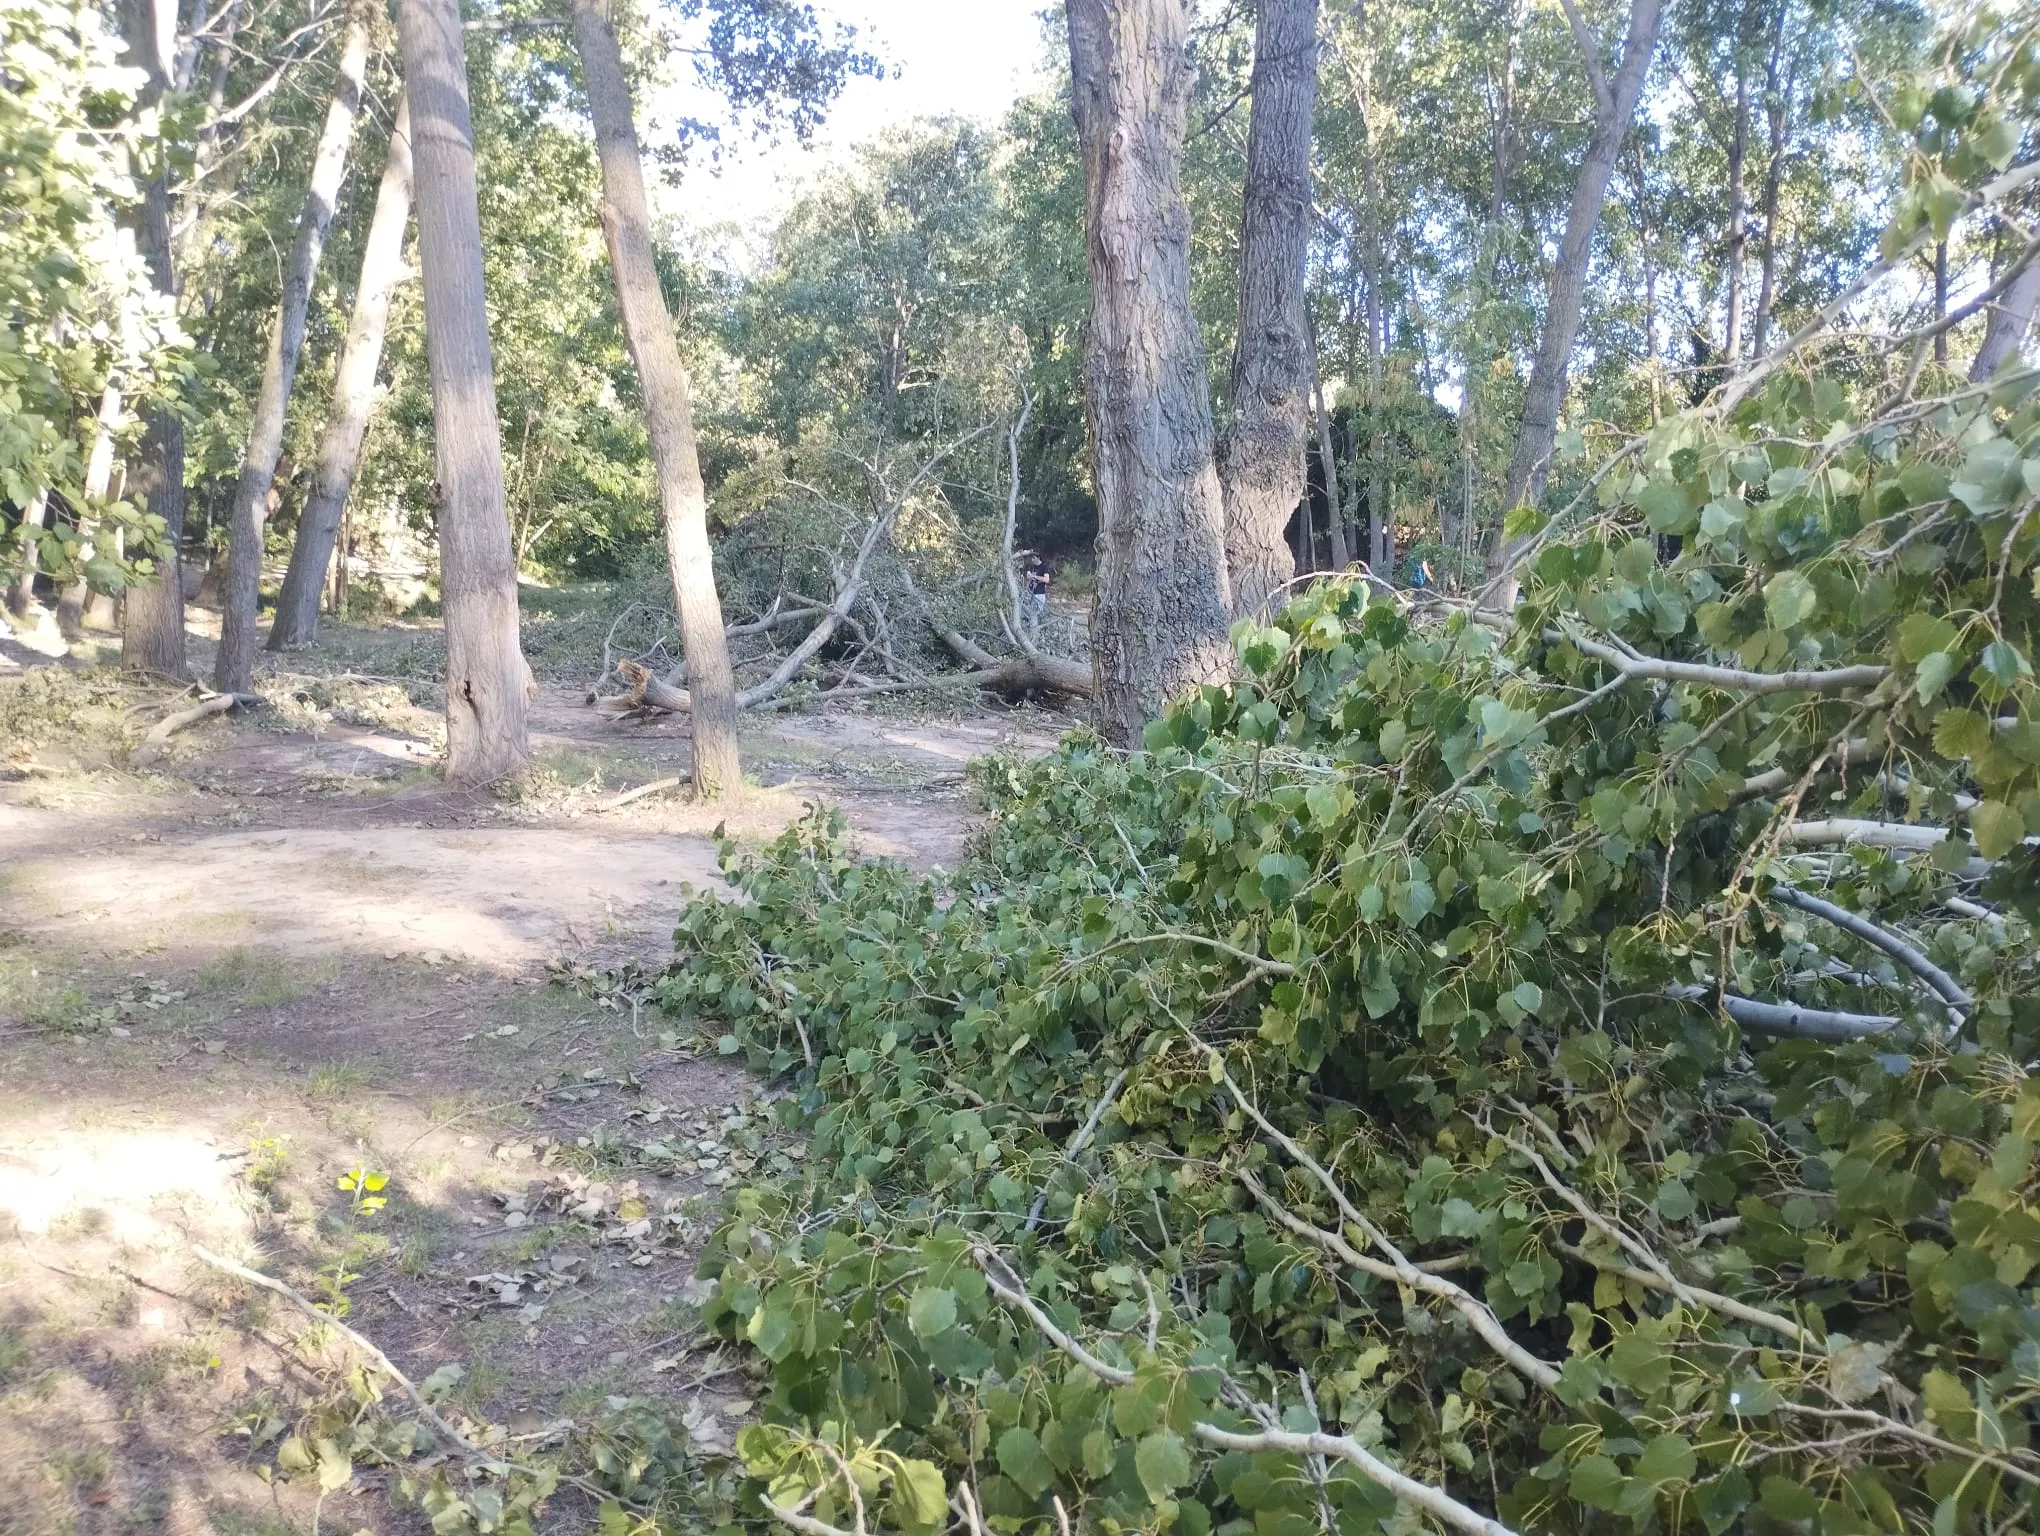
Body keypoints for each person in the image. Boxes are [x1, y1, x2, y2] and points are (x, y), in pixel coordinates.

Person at [1024, 555, 1050, 641]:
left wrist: (1035, 577)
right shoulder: (1031, 566)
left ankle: (1039, 634)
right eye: (1031, 558)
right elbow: (1028, 577)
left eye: (1034, 558)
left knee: (1038, 613)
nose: (1032, 560)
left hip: (1039, 594)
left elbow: (1047, 579)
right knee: (1030, 613)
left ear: (1038, 558)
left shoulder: (1044, 567)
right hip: (1030, 593)